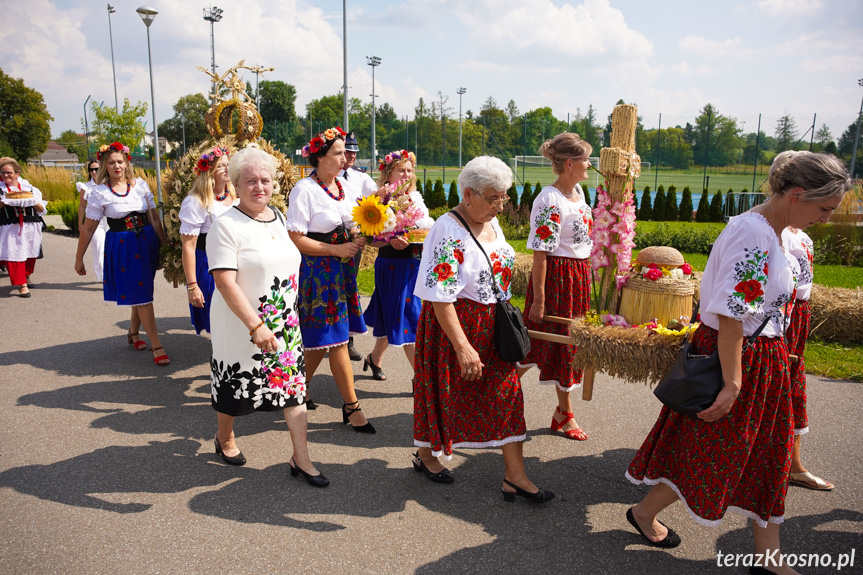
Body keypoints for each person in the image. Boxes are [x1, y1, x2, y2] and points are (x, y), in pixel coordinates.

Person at [625, 151, 851, 575]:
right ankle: (644, 512)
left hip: (766, 355)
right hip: (739, 354)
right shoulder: (752, 232)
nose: (825, 218)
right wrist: (733, 383)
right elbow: (731, 315)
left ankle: (768, 557)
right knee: (706, 449)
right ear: (798, 195)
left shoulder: (781, 232)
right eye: (824, 208)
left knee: (768, 455)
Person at [411, 156, 554, 503]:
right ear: (467, 193)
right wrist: (462, 346)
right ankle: (427, 454)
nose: (499, 206)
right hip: (456, 327)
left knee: (508, 396)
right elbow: (440, 297)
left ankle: (515, 477)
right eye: (493, 198)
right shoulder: (447, 228)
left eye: (503, 198)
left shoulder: (490, 222)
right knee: (446, 396)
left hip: (493, 326)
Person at [206, 147, 326, 486]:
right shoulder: (225, 225)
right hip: (241, 324)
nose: (259, 187)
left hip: (284, 323)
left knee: (293, 390)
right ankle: (224, 436)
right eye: (250, 181)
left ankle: (300, 458)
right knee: (235, 387)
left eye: (265, 180)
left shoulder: (278, 216)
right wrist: (255, 325)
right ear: (235, 185)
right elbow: (224, 281)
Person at [287, 127, 375, 434]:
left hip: (340, 270)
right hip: (316, 272)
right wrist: (336, 248)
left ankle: (298, 387)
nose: (345, 158)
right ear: (321, 157)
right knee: (335, 340)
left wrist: (360, 235)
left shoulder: (342, 187)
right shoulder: (304, 189)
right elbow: (296, 238)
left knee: (320, 341)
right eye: (338, 153)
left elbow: (349, 222)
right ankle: (352, 407)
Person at [517, 133, 593, 441]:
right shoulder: (549, 199)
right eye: (586, 159)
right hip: (558, 279)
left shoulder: (579, 192)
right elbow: (541, 253)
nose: (590, 165)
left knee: (567, 347)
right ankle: (488, 390)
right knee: (540, 345)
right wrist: (539, 299)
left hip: (577, 278)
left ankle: (563, 412)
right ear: (571, 163)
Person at [75, 142, 169, 365]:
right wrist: (79, 257)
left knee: (143, 290)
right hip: (123, 245)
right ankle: (157, 345)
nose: (117, 166)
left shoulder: (141, 186)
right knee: (143, 294)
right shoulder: (99, 193)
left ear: (127, 163)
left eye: (120, 161)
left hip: (146, 242)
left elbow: (154, 218)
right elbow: (88, 228)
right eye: (111, 163)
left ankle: (133, 333)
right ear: (104, 167)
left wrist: (164, 246)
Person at [362, 150, 433, 380]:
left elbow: (424, 228)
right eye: (401, 169)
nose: (406, 174)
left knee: (394, 315)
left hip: (415, 264)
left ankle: (374, 359)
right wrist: (389, 239)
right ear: (389, 172)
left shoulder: (416, 198)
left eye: (410, 170)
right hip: (391, 264)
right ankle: (421, 378)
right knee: (410, 319)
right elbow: (367, 238)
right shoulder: (378, 200)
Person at [782, 225, 834, 491]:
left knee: (790, 388)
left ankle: (792, 465)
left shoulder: (803, 235)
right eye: (823, 207)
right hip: (784, 314)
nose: (825, 218)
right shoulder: (776, 231)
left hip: (799, 313)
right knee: (778, 388)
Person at [180, 147, 237, 335]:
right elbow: (189, 246)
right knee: (220, 318)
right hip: (210, 264)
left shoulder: (236, 196)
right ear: (209, 169)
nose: (227, 169)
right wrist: (192, 286)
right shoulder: (196, 201)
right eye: (221, 166)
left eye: (229, 165)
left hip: (238, 261)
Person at [340, 131, 378, 362]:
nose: (352, 155)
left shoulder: (360, 178)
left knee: (349, 288)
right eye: (347, 151)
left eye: (354, 151)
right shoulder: (321, 178)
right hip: (328, 238)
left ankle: (348, 340)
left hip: (353, 238)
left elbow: (378, 199)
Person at [0, 157, 46, 298]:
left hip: (30, 225)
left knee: (29, 255)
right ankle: (22, 285)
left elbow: (41, 209)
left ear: (17, 173)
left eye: (9, 173)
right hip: (10, 226)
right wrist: (3, 202)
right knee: (15, 255)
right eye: (3, 173)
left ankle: (26, 276)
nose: (5, 175)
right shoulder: (1, 190)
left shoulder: (30, 189)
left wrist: (32, 201)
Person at [77, 160, 109, 282]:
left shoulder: (108, 184)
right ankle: (103, 278)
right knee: (99, 248)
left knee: (110, 249)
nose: (94, 172)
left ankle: (111, 274)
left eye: (96, 169)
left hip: (109, 221)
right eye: (91, 170)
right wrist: (81, 224)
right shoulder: (85, 187)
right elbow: (82, 207)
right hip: (94, 223)